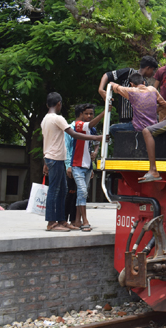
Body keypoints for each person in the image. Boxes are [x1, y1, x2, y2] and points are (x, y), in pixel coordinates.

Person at [41, 92, 102, 232]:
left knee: (63, 191)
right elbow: (74, 134)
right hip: (55, 158)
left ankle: (62, 221)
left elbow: (46, 141)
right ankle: (51, 223)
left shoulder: (45, 119)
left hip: (53, 158)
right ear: (59, 104)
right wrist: (96, 138)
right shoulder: (58, 118)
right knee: (55, 191)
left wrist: (45, 160)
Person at [64, 104, 107, 232]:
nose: (89, 116)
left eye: (91, 114)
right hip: (75, 165)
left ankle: (77, 221)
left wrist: (95, 152)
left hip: (87, 166)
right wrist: (105, 112)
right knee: (81, 192)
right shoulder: (77, 126)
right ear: (81, 114)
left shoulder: (91, 129)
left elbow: (96, 143)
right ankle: (84, 220)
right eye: (87, 114)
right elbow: (67, 147)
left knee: (81, 193)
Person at [98, 56, 159, 136]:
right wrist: (100, 89)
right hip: (125, 118)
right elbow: (107, 75)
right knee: (115, 130)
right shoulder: (128, 72)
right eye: (153, 70)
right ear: (148, 68)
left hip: (139, 120)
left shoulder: (145, 83)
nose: (153, 73)